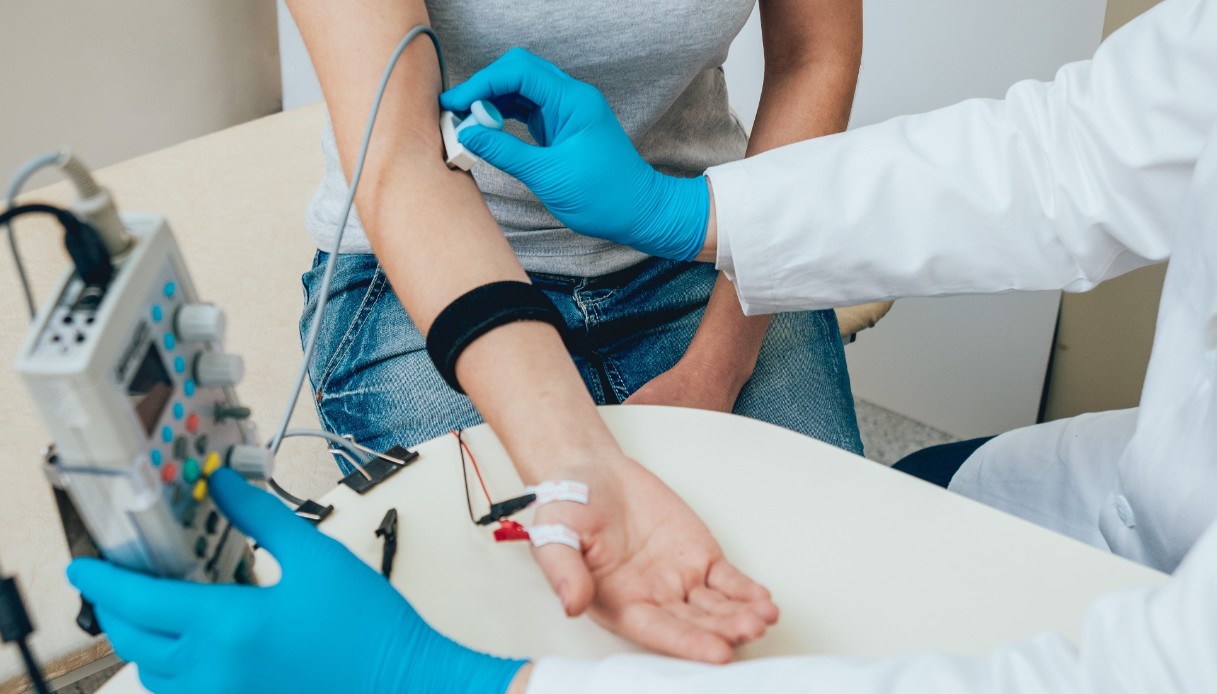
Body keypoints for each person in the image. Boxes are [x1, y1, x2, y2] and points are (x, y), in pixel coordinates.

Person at [70, 0, 1217, 690]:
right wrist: (585, 450)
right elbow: (1075, 155)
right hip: (432, 272)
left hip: (699, 266)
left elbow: (815, 54)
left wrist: (716, 334)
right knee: (493, 597)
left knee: (794, 600)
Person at [285, 0, 866, 660]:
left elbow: (814, 56)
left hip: (695, 236)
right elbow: (404, 156)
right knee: (521, 623)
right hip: (426, 264)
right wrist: (574, 463)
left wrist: (720, 362)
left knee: (821, 599)